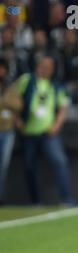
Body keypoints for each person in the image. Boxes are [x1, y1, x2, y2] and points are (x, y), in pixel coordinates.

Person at [15, 56, 76, 205]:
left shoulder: (55, 86)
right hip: (29, 132)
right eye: (44, 66)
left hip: (49, 133)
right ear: (37, 66)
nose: (47, 69)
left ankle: (66, 198)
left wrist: (56, 126)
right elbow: (13, 98)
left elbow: (62, 110)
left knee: (60, 161)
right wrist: (17, 119)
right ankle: (35, 201)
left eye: (50, 67)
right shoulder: (26, 80)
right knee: (30, 167)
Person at [0, 58, 22, 203]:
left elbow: (18, 105)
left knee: (3, 166)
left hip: (7, 131)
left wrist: (3, 100)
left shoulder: (10, 87)